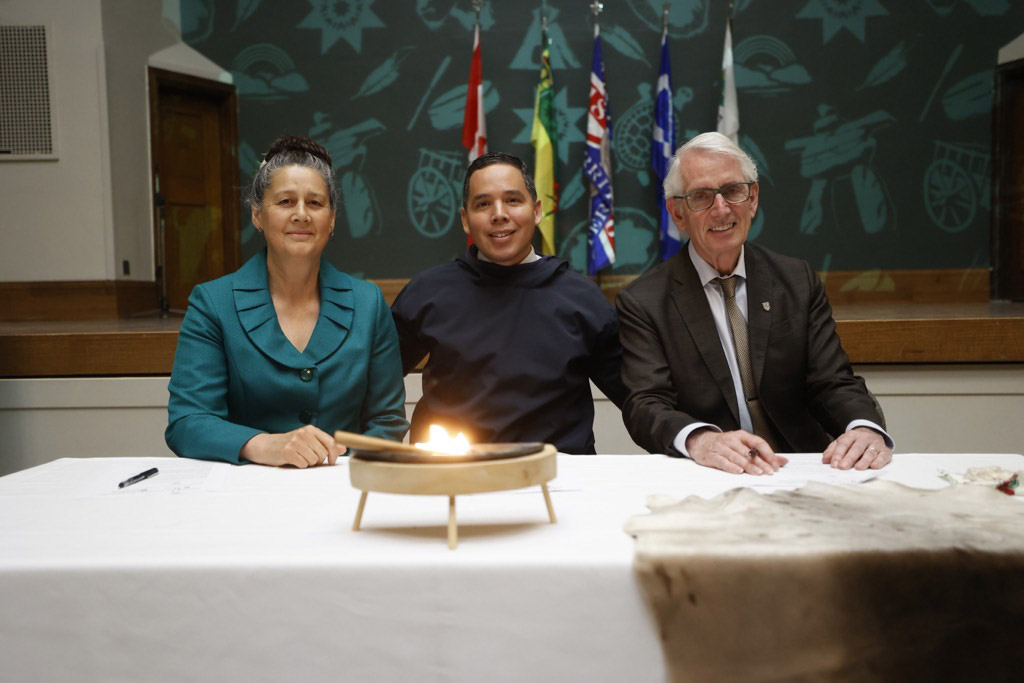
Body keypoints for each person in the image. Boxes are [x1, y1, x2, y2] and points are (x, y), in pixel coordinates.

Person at [616, 132, 892, 475]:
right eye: (701, 197)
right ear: (678, 214)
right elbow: (646, 404)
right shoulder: (644, 302)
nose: (721, 209)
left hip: (802, 464)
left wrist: (863, 427)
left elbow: (832, 381)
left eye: (732, 191)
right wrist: (700, 439)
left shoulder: (796, 280)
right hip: (714, 470)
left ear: (753, 198)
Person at [166, 136, 407, 467]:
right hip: (244, 491)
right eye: (285, 202)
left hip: (341, 488)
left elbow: (388, 424)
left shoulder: (369, 303)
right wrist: (262, 446)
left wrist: (337, 466)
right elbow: (188, 422)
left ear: (332, 219)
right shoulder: (213, 303)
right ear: (257, 216)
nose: (301, 214)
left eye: (316, 203)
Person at [391, 152, 626, 453]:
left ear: (537, 210)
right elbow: (375, 389)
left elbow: (640, 399)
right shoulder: (427, 293)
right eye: (483, 204)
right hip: (452, 478)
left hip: (557, 480)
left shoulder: (581, 299)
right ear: (465, 219)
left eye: (513, 200)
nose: (499, 214)